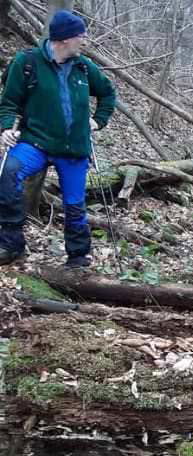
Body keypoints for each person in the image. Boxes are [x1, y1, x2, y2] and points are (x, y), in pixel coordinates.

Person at [0, 10, 116, 267]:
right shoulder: (27, 63)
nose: (84, 40)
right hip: (36, 142)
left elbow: (108, 93)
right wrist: (6, 128)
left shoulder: (85, 67)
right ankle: (11, 245)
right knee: (8, 173)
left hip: (73, 148)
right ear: (64, 39)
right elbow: (8, 102)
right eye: (80, 36)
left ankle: (77, 257)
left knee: (74, 203)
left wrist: (98, 121)